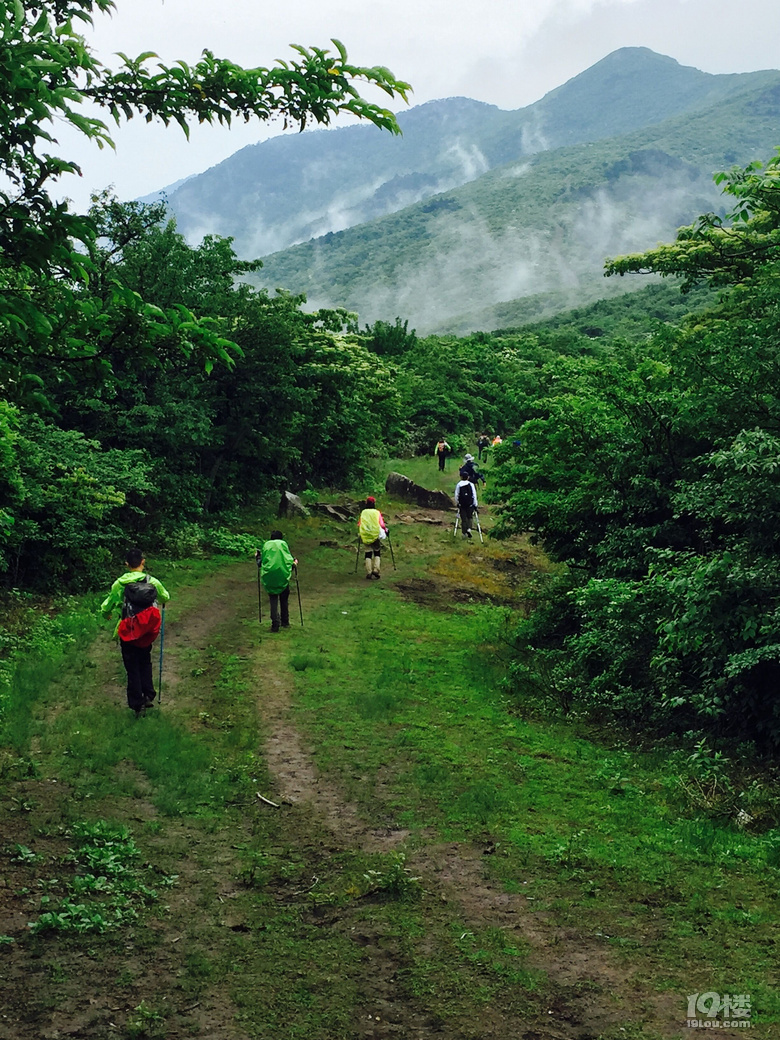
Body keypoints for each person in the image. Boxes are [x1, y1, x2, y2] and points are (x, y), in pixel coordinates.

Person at [101, 548, 170, 715]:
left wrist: (107, 613)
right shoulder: (152, 581)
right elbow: (165, 597)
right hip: (146, 631)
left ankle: (137, 703)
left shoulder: (119, 584)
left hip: (128, 631)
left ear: (126, 564)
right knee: (145, 661)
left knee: (131, 666)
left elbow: (108, 604)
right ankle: (148, 695)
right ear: (143, 562)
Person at [257, 531, 297, 632]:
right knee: (284, 598)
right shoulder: (283, 545)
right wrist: (294, 562)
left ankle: (275, 623)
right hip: (282, 575)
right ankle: (285, 621)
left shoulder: (266, 546)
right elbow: (289, 561)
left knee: (273, 599)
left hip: (270, 576)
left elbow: (261, 563)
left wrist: (257, 556)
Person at [358, 495, 388, 580]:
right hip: (375, 535)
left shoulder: (363, 512)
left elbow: (360, 523)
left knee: (368, 553)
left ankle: (369, 571)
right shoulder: (377, 512)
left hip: (366, 535)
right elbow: (381, 524)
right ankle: (376, 569)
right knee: (377, 552)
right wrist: (385, 530)